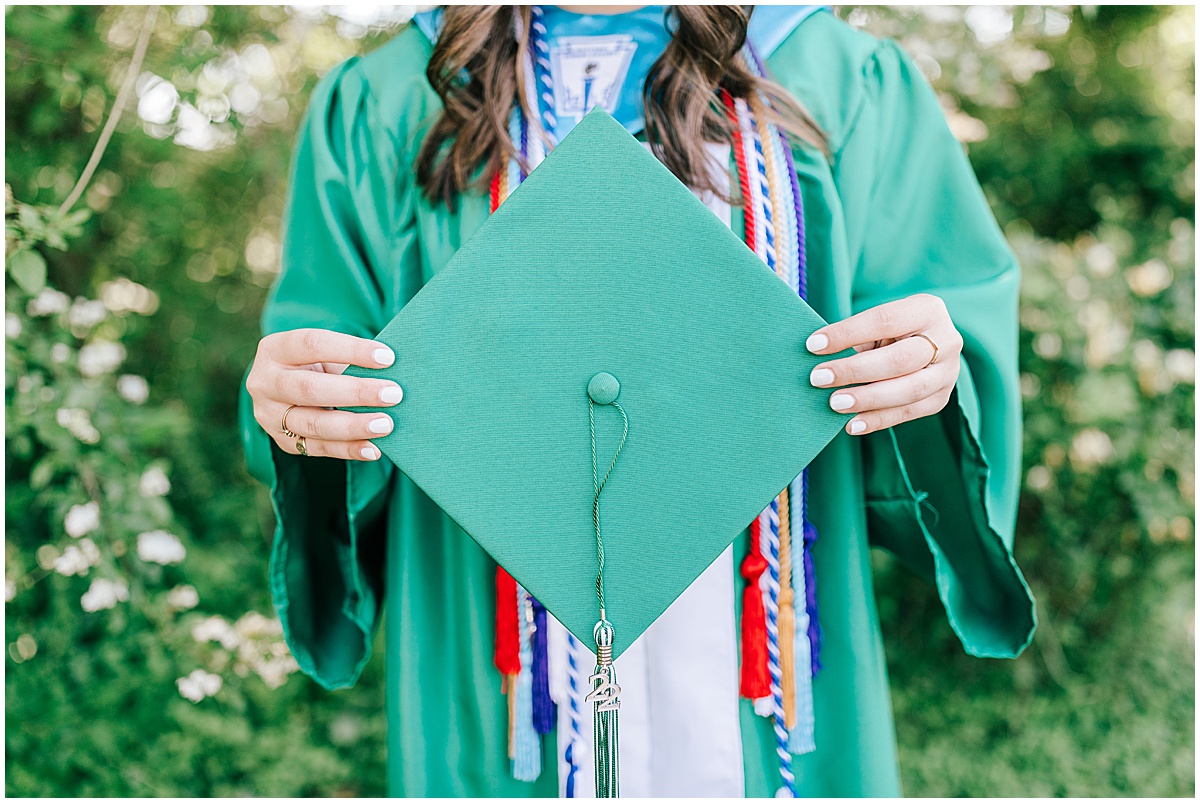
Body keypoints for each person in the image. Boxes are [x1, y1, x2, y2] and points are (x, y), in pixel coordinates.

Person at [239, 5, 1036, 797]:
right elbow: (319, 374)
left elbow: (949, 340)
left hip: (763, 641)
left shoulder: (834, 76)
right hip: (498, 656)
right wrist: (301, 408)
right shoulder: (389, 99)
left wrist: (924, 371)